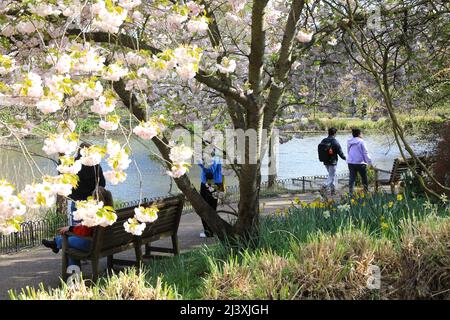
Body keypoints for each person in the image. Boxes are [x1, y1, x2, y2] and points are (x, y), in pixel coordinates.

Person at [42, 187, 113, 267]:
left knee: (66, 243)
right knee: (69, 244)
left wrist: (70, 228)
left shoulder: (95, 213)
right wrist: (81, 224)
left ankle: (56, 244)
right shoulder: (111, 214)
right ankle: (55, 243)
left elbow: (84, 232)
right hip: (106, 244)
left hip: (91, 245)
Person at [68, 142, 106, 226]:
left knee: (76, 227)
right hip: (91, 202)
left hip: (77, 200)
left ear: (79, 151)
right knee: (89, 226)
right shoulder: (95, 165)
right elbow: (102, 183)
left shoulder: (73, 164)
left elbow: (68, 183)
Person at [198, 151, 223, 238]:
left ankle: (209, 232)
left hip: (211, 184)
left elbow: (210, 170)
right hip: (208, 183)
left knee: (208, 208)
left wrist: (200, 163)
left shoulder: (215, 158)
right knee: (207, 207)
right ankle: (210, 230)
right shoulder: (213, 156)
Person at [318, 128, 346, 195]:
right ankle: (324, 186)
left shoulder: (323, 140)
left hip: (325, 161)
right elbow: (340, 152)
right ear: (335, 133)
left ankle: (333, 190)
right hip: (332, 162)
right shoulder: (335, 141)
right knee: (331, 176)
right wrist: (345, 158)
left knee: (332, 175)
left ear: (328, 133)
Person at [347, 128, 372, 194]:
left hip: (351, 162)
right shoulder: (361, 141)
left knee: (352, 177)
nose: (362, 134)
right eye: (361, 133)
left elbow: (348, 151)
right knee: (364, 177)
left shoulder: (349, 141)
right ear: (359, 134)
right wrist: (369, 162)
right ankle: (366, 192)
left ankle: (350, 192)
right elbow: (365, 152)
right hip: (360, 163)